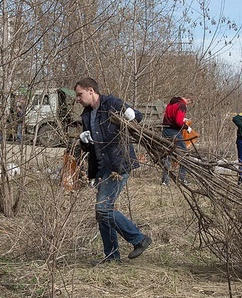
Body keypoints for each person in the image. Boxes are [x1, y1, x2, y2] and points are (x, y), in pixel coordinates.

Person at [75, 77, 152, 263]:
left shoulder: (111, 103)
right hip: (101, 169)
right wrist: (83, 140)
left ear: (91, 90)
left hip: (118, 166)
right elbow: (90, 148)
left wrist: (131, 113)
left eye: (80, 94)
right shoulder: (87, 115)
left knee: (103, 209)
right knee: (102, 214)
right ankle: (111, 257)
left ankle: (139, 239)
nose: (77, 99)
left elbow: (137, 117)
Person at [161, 96, 191, 186]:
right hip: (174, 132)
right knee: (184, 154)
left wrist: (182, 119)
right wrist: (186, 127)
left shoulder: (170, 104)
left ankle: (165, 181)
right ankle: (182, 178)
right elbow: (178, 121)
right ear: (188, 100)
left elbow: (170, 117)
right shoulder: (182, 105)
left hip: (165, 130)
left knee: (167, 154)